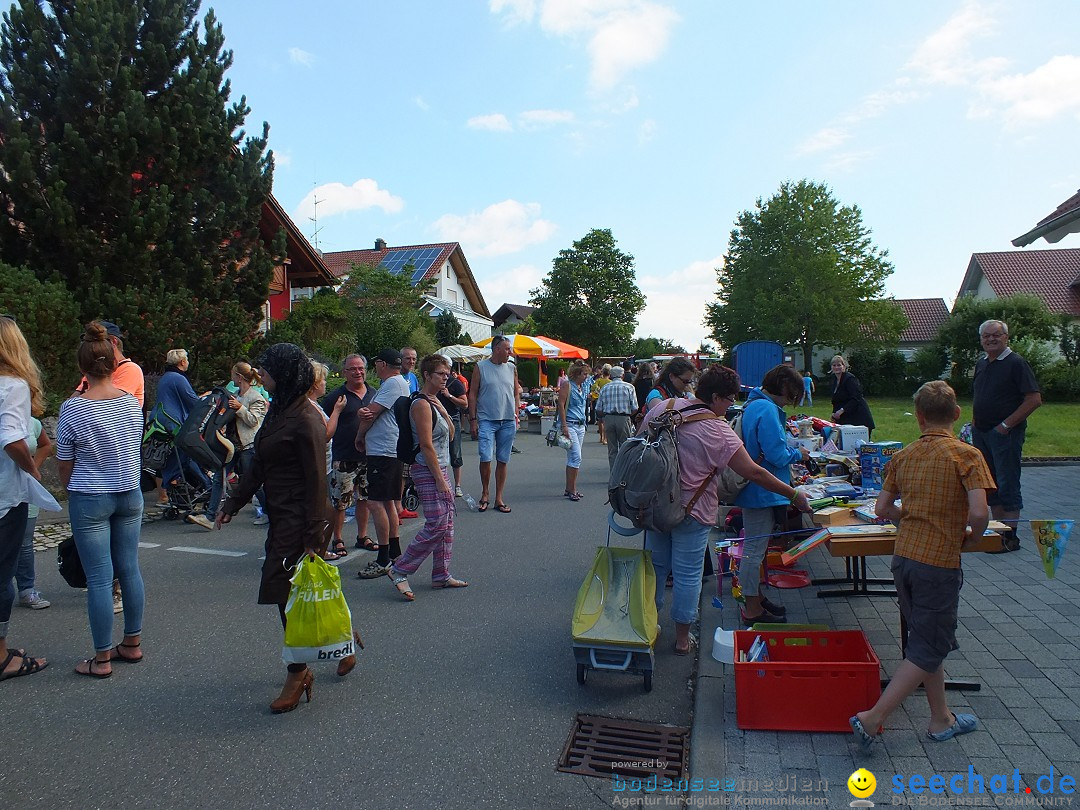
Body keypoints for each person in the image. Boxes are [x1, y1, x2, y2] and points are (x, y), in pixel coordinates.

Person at [849, 380, 994, 753]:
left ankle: (940, 717)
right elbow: (980, 512)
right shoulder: (967, 455)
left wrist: (910, 519)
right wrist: (972, 538)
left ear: (919, 417)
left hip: (905, 558)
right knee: (930, 643)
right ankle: (873, 718)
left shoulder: (904, 455)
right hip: (939, 563)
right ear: (958, 414)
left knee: (925, 640)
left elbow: (881, 510)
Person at [640, 365, 812, 655]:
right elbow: (754, 473)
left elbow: (640, 446)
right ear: (717, 397)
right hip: (692, 511)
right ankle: (682, 639)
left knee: (655, 569)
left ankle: (648, 626)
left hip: (655, 506)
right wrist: (793, 494)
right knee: (687, 575)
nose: (732, 406)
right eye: (730, 399)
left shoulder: (663, 408)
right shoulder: (717, 429)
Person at [216, 343, 334, 713]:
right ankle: (342, 639)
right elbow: (260, 465)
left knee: (285, 593)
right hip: (283, 514)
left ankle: (298, 672)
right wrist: (233, 502)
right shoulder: (280, 411)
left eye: (265, 371)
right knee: (304, 589)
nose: (259, 377)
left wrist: (315, 535)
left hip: (303, 518)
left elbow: (318, 480)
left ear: (283, 374)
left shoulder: (306, 419)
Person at [56, 321, 146, 678]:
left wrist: (69, 488)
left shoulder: (74, 408)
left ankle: (102, 658)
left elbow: (65, 459)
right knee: (129, 568)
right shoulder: (130, 403)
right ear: (113, 363)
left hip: (91, 494)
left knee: (99, 577)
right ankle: (133, 643)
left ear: (82, 369)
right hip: (130, 492)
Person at [386, 355, 469, 600]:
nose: (446, 378)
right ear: (427, 375)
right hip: (427, 469)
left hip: (440, 467)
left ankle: (441, 574)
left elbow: (451, 435)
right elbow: (425, 445)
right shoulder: (421, 405)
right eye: (441, 374)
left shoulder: (434, 402)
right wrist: (441, 480)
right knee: (437, 523)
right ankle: (399, 569)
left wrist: (443, 408)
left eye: (447, 374)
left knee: (448, 524)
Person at [734, 365, 810, 624]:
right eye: (793, 395)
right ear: (784, 387)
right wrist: (799, 454)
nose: (791, 403)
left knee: (756, 551)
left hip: (760, 490)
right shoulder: (765, 409)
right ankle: (752, 608)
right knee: (753, 552)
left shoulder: (756, 404)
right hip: (762, 491)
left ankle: (756, 599)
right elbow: (776, 454)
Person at [0, 314, 49, 681]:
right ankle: (2, 657)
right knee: (3, 576)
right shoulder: (12, 385)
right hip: (5, 495)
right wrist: (31, 468)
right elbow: (12, 439)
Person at [971, 319, 1042, 554]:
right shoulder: (982, 363)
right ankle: (997, 534)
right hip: (981, 433)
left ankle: (1010, 538)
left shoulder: (1016, 364)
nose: (991, 339)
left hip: (1004, 435)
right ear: (981, 340)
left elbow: (1033, 399)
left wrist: (1005, 425)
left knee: (1007, 483)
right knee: (991, 485)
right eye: (986, 336)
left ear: (1006, 337)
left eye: (996, 335)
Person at [187, 362, 267, 531]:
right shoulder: (234, 395)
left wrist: (240, 409)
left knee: (252, 482)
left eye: (233, 374)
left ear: (239, 377)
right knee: (218, 477)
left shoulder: (256, 397)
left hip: (247, 446)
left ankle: (269, 511)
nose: (231, 378)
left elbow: (254, 421)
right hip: (230, 446)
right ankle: (210, 517)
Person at [354, 348, 411, 579]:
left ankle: (383, 557)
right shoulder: (399, 382)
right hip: (389, 449)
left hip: (384, 450)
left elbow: (371, 413)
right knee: (388, 502)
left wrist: (359, 435)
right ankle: (394, 552)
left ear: (382, 364)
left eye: (376, 363)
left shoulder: (391, 384)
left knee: (375, 502)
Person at [321, 354, 376, 554]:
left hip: (369, 456)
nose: (357, 372)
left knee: (365, 499)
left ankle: (363, 536)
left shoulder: (374, 393)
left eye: (360, 368)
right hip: (344, 456)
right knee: (340, 502)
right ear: (345, 372)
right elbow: (326, 424)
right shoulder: (335, 397)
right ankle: (338, 539)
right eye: (352, 369)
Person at [468, 335, 519, 514]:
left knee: (503, 459)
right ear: (496, 349)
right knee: (485, 457)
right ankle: (485, 493)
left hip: (507, 420)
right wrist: (472, 419)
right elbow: (472, 393)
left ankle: (499, 498)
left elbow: (515, 392)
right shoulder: (481, 367)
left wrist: (517, 414)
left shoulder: (511, 367)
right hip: (487, 419)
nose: (510, 352)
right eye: (507, 349)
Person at [154, 348, 212, 496]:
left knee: (176, 456)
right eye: (187, 359)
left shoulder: (166, 377)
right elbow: (192, 401)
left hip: (162, 421)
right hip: (174, 423)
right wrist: (205, 397)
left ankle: (176, 485)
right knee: (185, 454)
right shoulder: (178, 378)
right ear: (182, 362)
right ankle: (206, 486)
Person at [13, 417, 52, 609]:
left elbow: (45, 445)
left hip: (25, 491)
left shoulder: (32, 423)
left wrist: (33, 467)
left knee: (25, 543)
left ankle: (27, 590)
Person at [557, 360, 591, 501]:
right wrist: (564, 425)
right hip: (570, 424)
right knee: (576, 457)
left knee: (573, 457)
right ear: (577, 373)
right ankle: (572, 489)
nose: (586, 376)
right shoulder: (567, 385)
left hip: (580, 425)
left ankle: (569, 488)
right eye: (584, 374)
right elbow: (561, 404)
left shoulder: (582, 386)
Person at [595, 365, 638, 472]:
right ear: (622, 375)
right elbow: (635, 407)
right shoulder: (629, 387)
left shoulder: (605, 388)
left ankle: (614, 473)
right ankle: (624, 473)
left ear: (610, 375)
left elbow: (598, 408)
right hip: (623, 418)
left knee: (612, 449)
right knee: (625, 447)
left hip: (609, 418)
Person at [436, 356, 469, 498]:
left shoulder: (456, 384)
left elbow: (465, 403)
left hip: (453, 419)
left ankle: (457, 485)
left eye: (445, 369)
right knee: (436, 453)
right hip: (436, 419)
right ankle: (440, 483)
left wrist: (449, 396)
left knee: (455, 452)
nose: (444, 374)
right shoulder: (433, 381)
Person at [396, 346, 420, 521]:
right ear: (400, 359)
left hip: (414, 426)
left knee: (411, 467)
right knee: (401, 470)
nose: (411, 362)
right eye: (407, 359)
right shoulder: (395, 378)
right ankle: (397, 505)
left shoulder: (413, 377)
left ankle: (407, 500)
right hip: (400, 427)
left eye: (413, 359)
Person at [829, 355, 875, 436]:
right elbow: (836, 400)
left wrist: (842, 410)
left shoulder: (850, 379)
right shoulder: (834, 380)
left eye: (839, 365)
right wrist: (834, 414)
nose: (836, 367)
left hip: (859, 417)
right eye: (834, 365)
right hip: (845, 419)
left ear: (844, 366)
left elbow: (856, 398)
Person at [590, 365, 611, 444]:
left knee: (600, 421)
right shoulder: (610, 382)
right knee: (606, 422)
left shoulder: (598, 380)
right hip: (607, 402)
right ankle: (605, 438)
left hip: (599, 401)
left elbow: (593, 388)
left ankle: (601, 437)